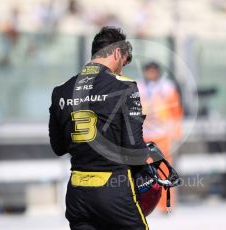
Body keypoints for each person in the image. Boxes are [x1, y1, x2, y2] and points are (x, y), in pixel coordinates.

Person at [48, 27, 151, 230]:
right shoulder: (124, 86)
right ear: (116, 53)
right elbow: (135, 149)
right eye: (124, 62)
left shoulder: (61, 90)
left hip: (77, 194)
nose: (122, 69)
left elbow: (58, 147)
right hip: (113, 191)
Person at [138, 61, 183, 213]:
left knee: (163, 170)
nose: (151, 73)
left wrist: (176, 132)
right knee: (141, 172)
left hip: (162, 135)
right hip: (143, 134)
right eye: (148, 70)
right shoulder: (139, 86)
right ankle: (143, 204)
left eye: (153, 71)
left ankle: (165, 205)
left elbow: (176, 111)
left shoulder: (167, 87)